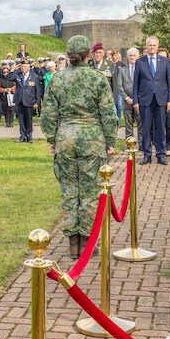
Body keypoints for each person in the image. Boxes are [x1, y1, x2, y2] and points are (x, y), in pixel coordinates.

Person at [41, 36, 118, 258]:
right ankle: (86, 242)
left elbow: (48, 115)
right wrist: (110, 141)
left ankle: (73, 243)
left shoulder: (56, 80)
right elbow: (108, 113)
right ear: (88, 55)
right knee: (90, 192)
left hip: (65, 140)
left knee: (69, 192)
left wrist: (52, 139)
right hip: (92, 141)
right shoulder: (97, 79)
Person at [132, 36, 170, 165]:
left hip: (161, 100)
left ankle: (161, 154)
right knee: (146, 128)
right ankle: (147, 155)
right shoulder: (140, 62)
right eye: (149, 45)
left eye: (154, 45)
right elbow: (136, 83)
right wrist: (135, 101)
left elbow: (169, 82)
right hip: (145, 100)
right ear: (146, 47)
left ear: (157, 47)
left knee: (160, 128)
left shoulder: (164, 61)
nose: (152, 47)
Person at [11, 59, 42, 143]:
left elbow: (37, 91)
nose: (23, 68)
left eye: (24, 66)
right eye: (22, 66)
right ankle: (22, 136)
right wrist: (13, 70)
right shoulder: (18, 75)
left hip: (29, 101)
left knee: (28, 119)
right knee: (21, 119)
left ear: (28, 67)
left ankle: (29, 136)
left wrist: (37, 102)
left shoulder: (34, 76)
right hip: (19, 100)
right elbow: (9, 78)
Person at [116, 47, 139, 140]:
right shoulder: (122, 70)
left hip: (139, 100)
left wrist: (138, 97)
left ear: (138, 56)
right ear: (127, 57)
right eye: (130, 55)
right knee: (128, 123)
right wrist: (126, 98)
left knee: (140, 123)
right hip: (127, 101)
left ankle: (142, 144)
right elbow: (119, 85)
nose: (132, 57)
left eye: (134, 55)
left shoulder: (141, 69)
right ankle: (129, 143)